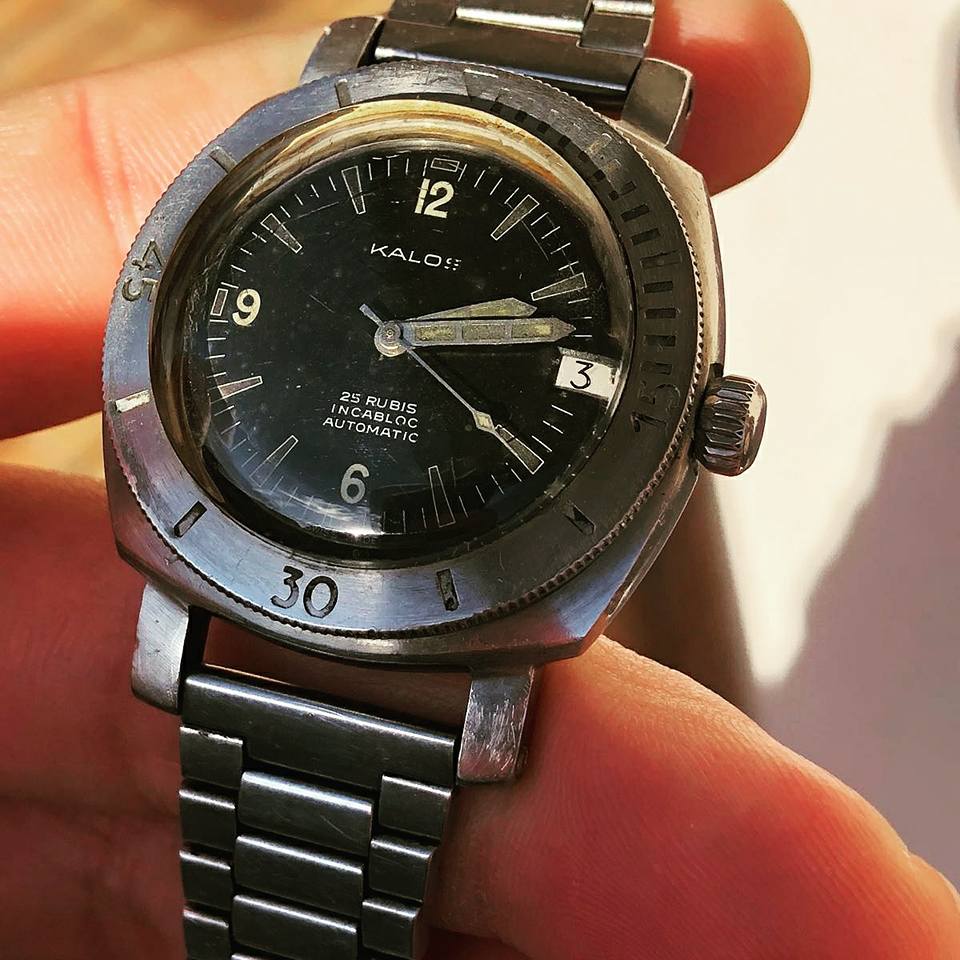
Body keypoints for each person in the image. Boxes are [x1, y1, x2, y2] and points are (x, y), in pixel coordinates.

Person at [1, 1, 957, 957]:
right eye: (392, 334)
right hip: (221, 589)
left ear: (715, 418)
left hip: (378, 641)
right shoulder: (294, 171)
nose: (390, 342)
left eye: (402, 339)